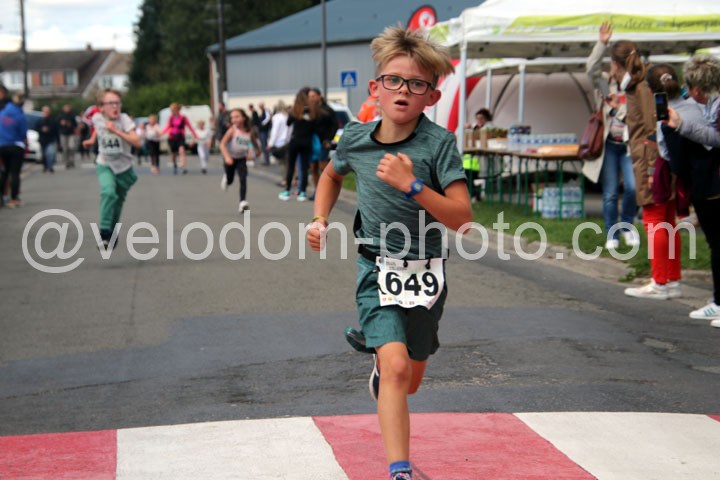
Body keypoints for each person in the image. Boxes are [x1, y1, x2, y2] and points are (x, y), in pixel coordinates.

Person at [306, 26, 471, 480]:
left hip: (426, 273)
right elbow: (331, 175)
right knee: (397, 368)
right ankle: (399, 471)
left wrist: (412, 185)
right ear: (375, 88)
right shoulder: (355, 138)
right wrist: (319, 219)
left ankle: (384, 366)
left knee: (409, 379)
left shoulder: (439, 145)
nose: (403, 91)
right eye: (394, 80)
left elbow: (462, 218)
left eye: (416, 84)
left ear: (432, 97)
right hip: (376, 267)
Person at [609, 40, 682, 300]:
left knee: (655, 219)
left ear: (615, 64)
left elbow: (654, 126)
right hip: (658, 158)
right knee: (667, 220)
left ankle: (660, 282)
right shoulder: (641, 82)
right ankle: (670, 280)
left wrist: (652, 169)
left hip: (651, 159)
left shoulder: (640, 85)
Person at [664, 54, 720, 326]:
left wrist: (682, 125)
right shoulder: (711, 104)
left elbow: (716, 138)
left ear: (697, 88)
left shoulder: (716, 105)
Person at [584, 22, 638, 250]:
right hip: (608, 145)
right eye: (617, 63)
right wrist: (602, 44)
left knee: (633, 188)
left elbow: (637, 114)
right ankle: (611, 233)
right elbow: (590, 69)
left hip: (628, 145)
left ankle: (627, 225)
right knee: (610, 193)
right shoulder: (605, 83)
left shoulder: (634, 86)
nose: (619, 67)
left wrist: (619, 109)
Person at [82, 89, 141, 249]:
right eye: (111, 103)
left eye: (117, 103)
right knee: (108, 192)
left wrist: (116, 131)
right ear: (101, 107)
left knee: (117, 202)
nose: (115, 106)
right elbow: (98, 130)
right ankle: (104, 231)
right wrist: (91, 140)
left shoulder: (124, 120)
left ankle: (112, 234)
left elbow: (137, 142)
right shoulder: (97, 118)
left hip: (124, 168)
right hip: (105, 163)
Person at [279, 88, 317, 202]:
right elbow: (314, 126)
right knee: (304, 167)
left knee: (291, 166)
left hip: (295, 140)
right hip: (307, 141)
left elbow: (288, 123)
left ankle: (287, 190)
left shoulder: (295, 111)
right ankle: (303, 192)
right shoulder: (312, 112)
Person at [219, 108, 260, 213]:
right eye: (232, 118)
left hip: (241, 158)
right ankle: (226, 178)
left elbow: (253, 142)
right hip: (230, 158)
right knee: (230, 180)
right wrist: (227, 157)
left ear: (243, 118)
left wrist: (257, 151)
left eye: (237, 117)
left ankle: (242, 202)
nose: (234, 119)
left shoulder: (249, 131)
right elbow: (222, 144)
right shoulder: (232, 130)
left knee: (243, 179)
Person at [308, 87, 339, 199]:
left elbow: (335, 125)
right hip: (312, 142)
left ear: (319, 96)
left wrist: (329, 139)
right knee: (313, 168)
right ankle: (317, 191)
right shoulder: (309, 111)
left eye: (313, 96)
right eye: (309, 97)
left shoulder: (328, 110)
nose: (311, 99)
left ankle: (327, 191)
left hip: (324, 142)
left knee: (323, 167)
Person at [0, 93, 28, 208]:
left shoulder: (2, 113)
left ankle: (2, 198)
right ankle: (14, 198)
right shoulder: (19, 115)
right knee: (15, 173)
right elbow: (23, 133)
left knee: (4, 172)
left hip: (2, 146)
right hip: (16, 146)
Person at [161, 102, 197, 175]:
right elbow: (168, 127)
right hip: (172, 137)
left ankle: (183, 167)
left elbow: (190, 127)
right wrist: (161, 133)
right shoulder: (171, 118)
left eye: (172, 109)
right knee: (173, 153)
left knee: (182, 151)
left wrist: (195, 135)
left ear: (177, 109)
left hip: (180, 137)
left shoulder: (183, 118)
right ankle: (175, 165)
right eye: (171, 110)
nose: (171, 111)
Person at [38, 106, 60, 173]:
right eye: (45, 112)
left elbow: (56, 131)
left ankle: (50, 166)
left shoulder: (53, 120)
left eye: (47, 112)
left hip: (51, 140)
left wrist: (58, 142)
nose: (46, 113)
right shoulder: (40, 121)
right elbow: (36, 128)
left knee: (50, 154)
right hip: (42, 140)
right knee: (44, 155)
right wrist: (42, 129)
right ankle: (45, 166)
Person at [57, 104, 78, 169]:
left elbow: (75, 124)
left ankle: (72, 160)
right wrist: (61, 123)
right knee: (65, 149)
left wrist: (71, 125)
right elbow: (57, 124)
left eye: (68, 108)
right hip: (63, 134)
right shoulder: (61, 116)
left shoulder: (72, 115)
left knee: (71, 147)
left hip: (71, 133)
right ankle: (67, 162)